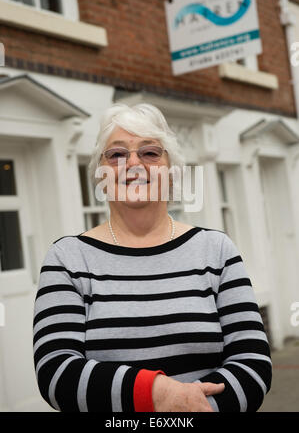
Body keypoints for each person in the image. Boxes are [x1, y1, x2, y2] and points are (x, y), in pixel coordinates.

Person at [33, 103, 272, 412]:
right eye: (117, 154)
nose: (133, 163)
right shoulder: (68, 258)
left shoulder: (216, 250)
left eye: (150, 153)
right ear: (100, 174)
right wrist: (157, 393)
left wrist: (197, 408)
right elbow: (56, 373)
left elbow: (253, 362)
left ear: (171, 171)